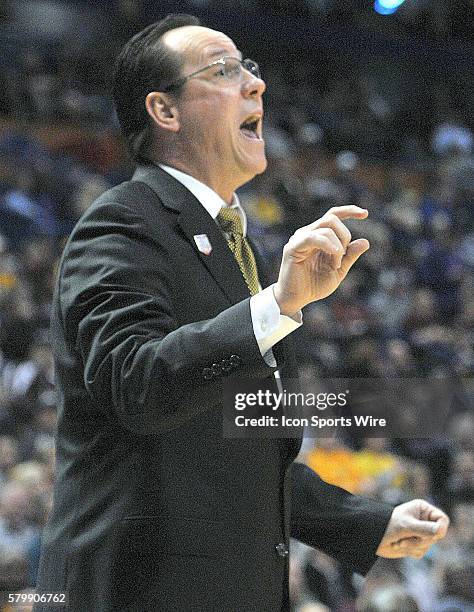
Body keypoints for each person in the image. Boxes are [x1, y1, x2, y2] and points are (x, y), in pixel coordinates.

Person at [34, 14, 449, 612]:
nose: (255, 85)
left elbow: (238, 448)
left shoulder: (237, 247)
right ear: (165, 111)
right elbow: (136, 383)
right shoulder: (121, 221)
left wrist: (365, 521)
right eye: (224, 71)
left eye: (249, 69)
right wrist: (279, 304)